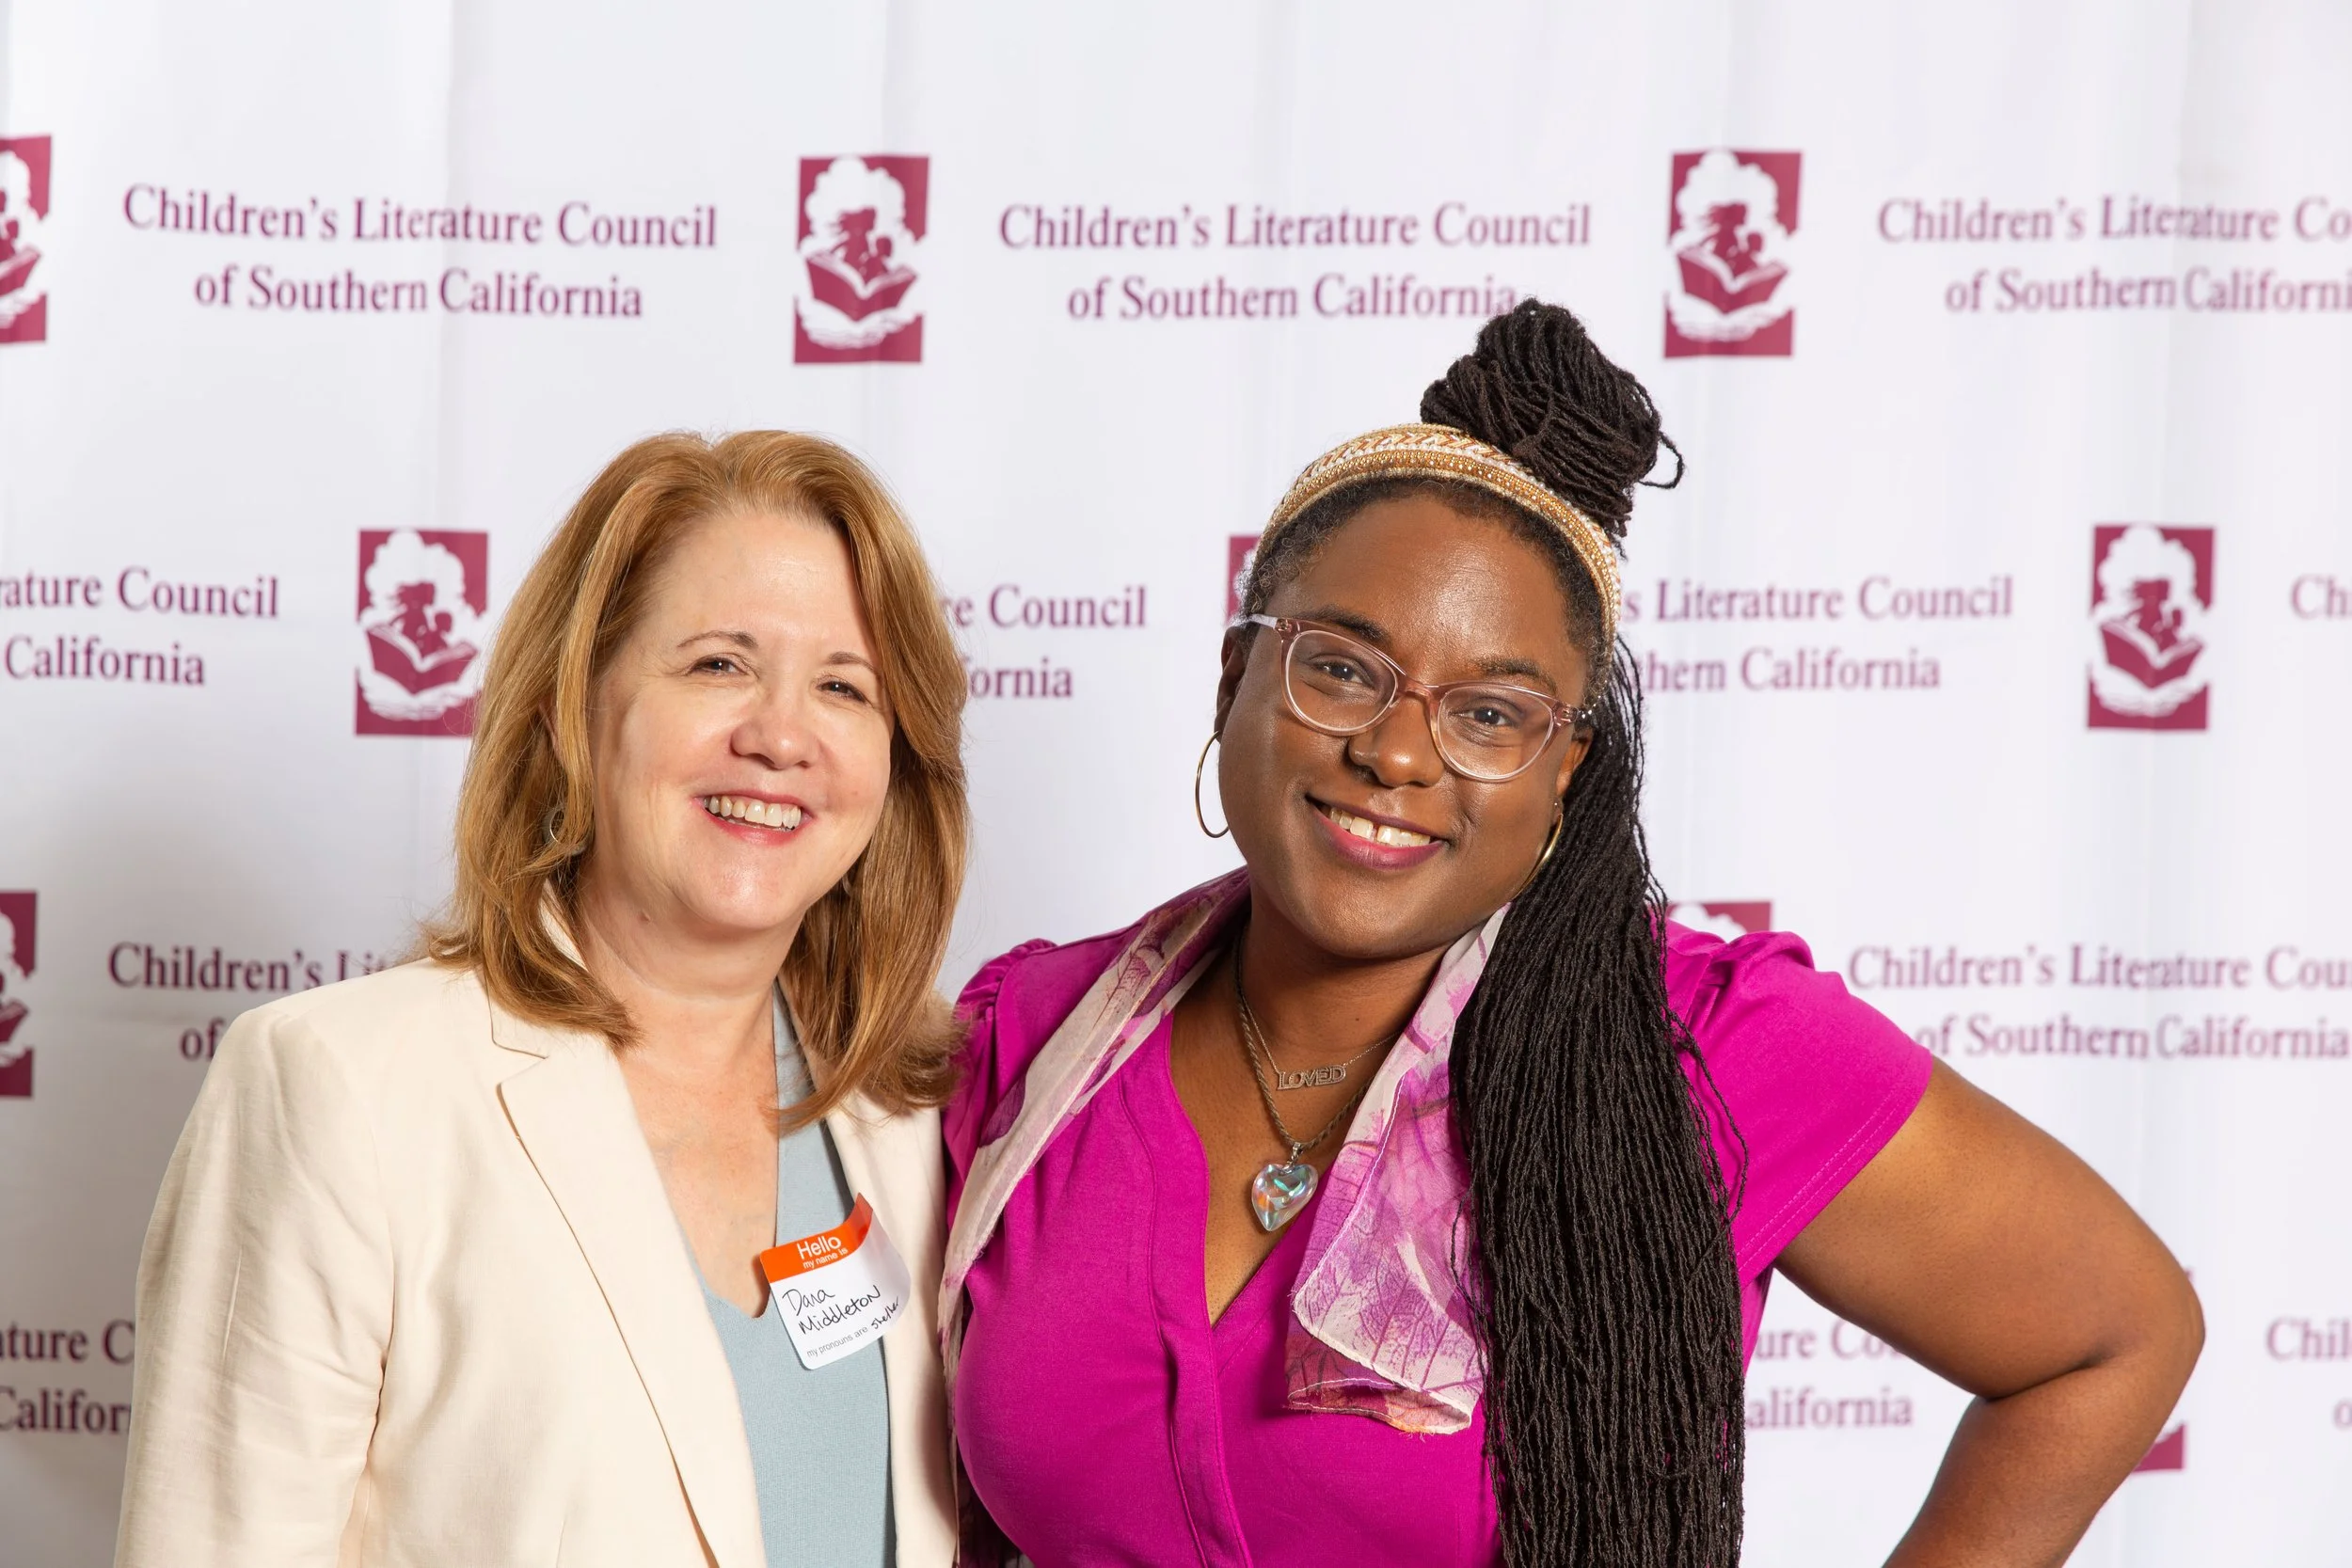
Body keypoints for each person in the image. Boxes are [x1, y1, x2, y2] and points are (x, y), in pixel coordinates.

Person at [940, 303, 2203, 1567]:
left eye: (1490, 713)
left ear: (1564, 773)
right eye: (1340, 669)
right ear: (1236, 682)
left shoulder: (1702, 1045)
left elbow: (2112, 1334)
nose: (1393, 750)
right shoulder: (1037, 1041)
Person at [117, 432, 968, 1567]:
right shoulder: (337, 1089)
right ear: (579, 703)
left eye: (842, 686)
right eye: (719, 664)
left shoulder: (917, 1115)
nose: (778, 734)